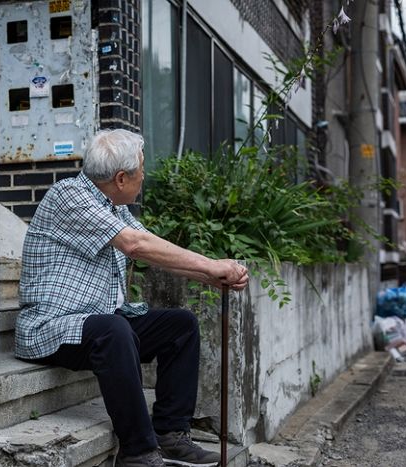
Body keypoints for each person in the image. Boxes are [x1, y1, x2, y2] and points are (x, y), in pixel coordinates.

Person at [15, 129, 249, 467]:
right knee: (115, 330)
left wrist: (212, 276)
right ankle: (138, 452)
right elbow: (134, 245)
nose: (145, 176)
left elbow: (149, 248)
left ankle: (170, 435)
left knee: (180, 326)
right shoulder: (68, 196)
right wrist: (213, 265)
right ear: (121, 178)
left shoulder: (110, 205)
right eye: (142, 169)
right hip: (52, 330)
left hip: (94, 325)